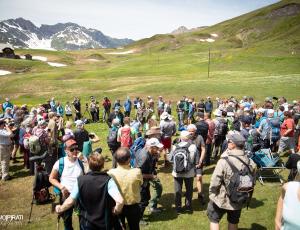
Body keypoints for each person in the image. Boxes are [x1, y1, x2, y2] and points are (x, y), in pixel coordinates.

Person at [55, 152, 124, 230]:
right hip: (104, 224)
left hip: (86, 224)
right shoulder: (108, 180)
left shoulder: (80, 181)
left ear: (89, 164)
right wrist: (115, 211)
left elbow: (70, 201)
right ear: (103, 165)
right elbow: (120, 201)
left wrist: (60, 208)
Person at [207, 132, 256, 230]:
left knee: (214, 220)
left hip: (221, 198)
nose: (227, 142)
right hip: (239, 198)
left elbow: (215, 181)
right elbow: (253, 181)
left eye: (229, 141)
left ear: (233, 144)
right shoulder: (251, 162)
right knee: (233, 222)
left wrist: (212, 193)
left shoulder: (224, 161)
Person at [49, 139, 84, 230]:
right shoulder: (60, 162)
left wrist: (84, 160)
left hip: (79, 195)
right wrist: (62, 187)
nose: (75, 151)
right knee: (67, 219)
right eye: (71, 149)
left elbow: (88, 177)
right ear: (66, 151)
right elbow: (51, 178)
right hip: (65, 195)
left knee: (82, 219)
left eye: (76, 148)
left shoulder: (82, 161)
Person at [108, 147, 143, 230]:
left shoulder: (110, 173)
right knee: (134, 227)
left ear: (116, 160)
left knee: (119, 227)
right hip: (133, 207)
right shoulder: (137, 171)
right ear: (129, 159)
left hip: (117, 206)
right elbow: (140, 183)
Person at [169, 130, 199, 214]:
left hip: (177, 173)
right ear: (189, 137)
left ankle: (178, 207)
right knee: (189, 190)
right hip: (189, 173)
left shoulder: (175, 146)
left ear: (180, 138)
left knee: (177, 190)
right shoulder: (193, 147)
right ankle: (188, 206)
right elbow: (196, 161)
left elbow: (170, 159)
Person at [135, 138, 163, 225]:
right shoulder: (144, 157)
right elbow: (137, 174)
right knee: (142, 201)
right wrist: (151, 176)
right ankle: (138, 219)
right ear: (151, 147)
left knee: (146, 198)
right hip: (141, 183)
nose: (158, 150)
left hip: (145, 181)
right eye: (156, 148)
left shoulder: (146, 151)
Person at [275, 161, 300, 230]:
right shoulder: (289, 187)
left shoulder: (293, 156)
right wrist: (277, 221)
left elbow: (287, 166)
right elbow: (282, 198)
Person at [187, 124, 206, 205]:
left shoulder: (200, 137)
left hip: (198, 161)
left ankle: (200, 194)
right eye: (189, 131)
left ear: (195, 131)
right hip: (189, 162)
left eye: (192, 131)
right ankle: (189, 194)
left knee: (199, 178)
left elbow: (203, 149)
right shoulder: (186, 138)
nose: (191, 133)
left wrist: (201, 160)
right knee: (189, 179)